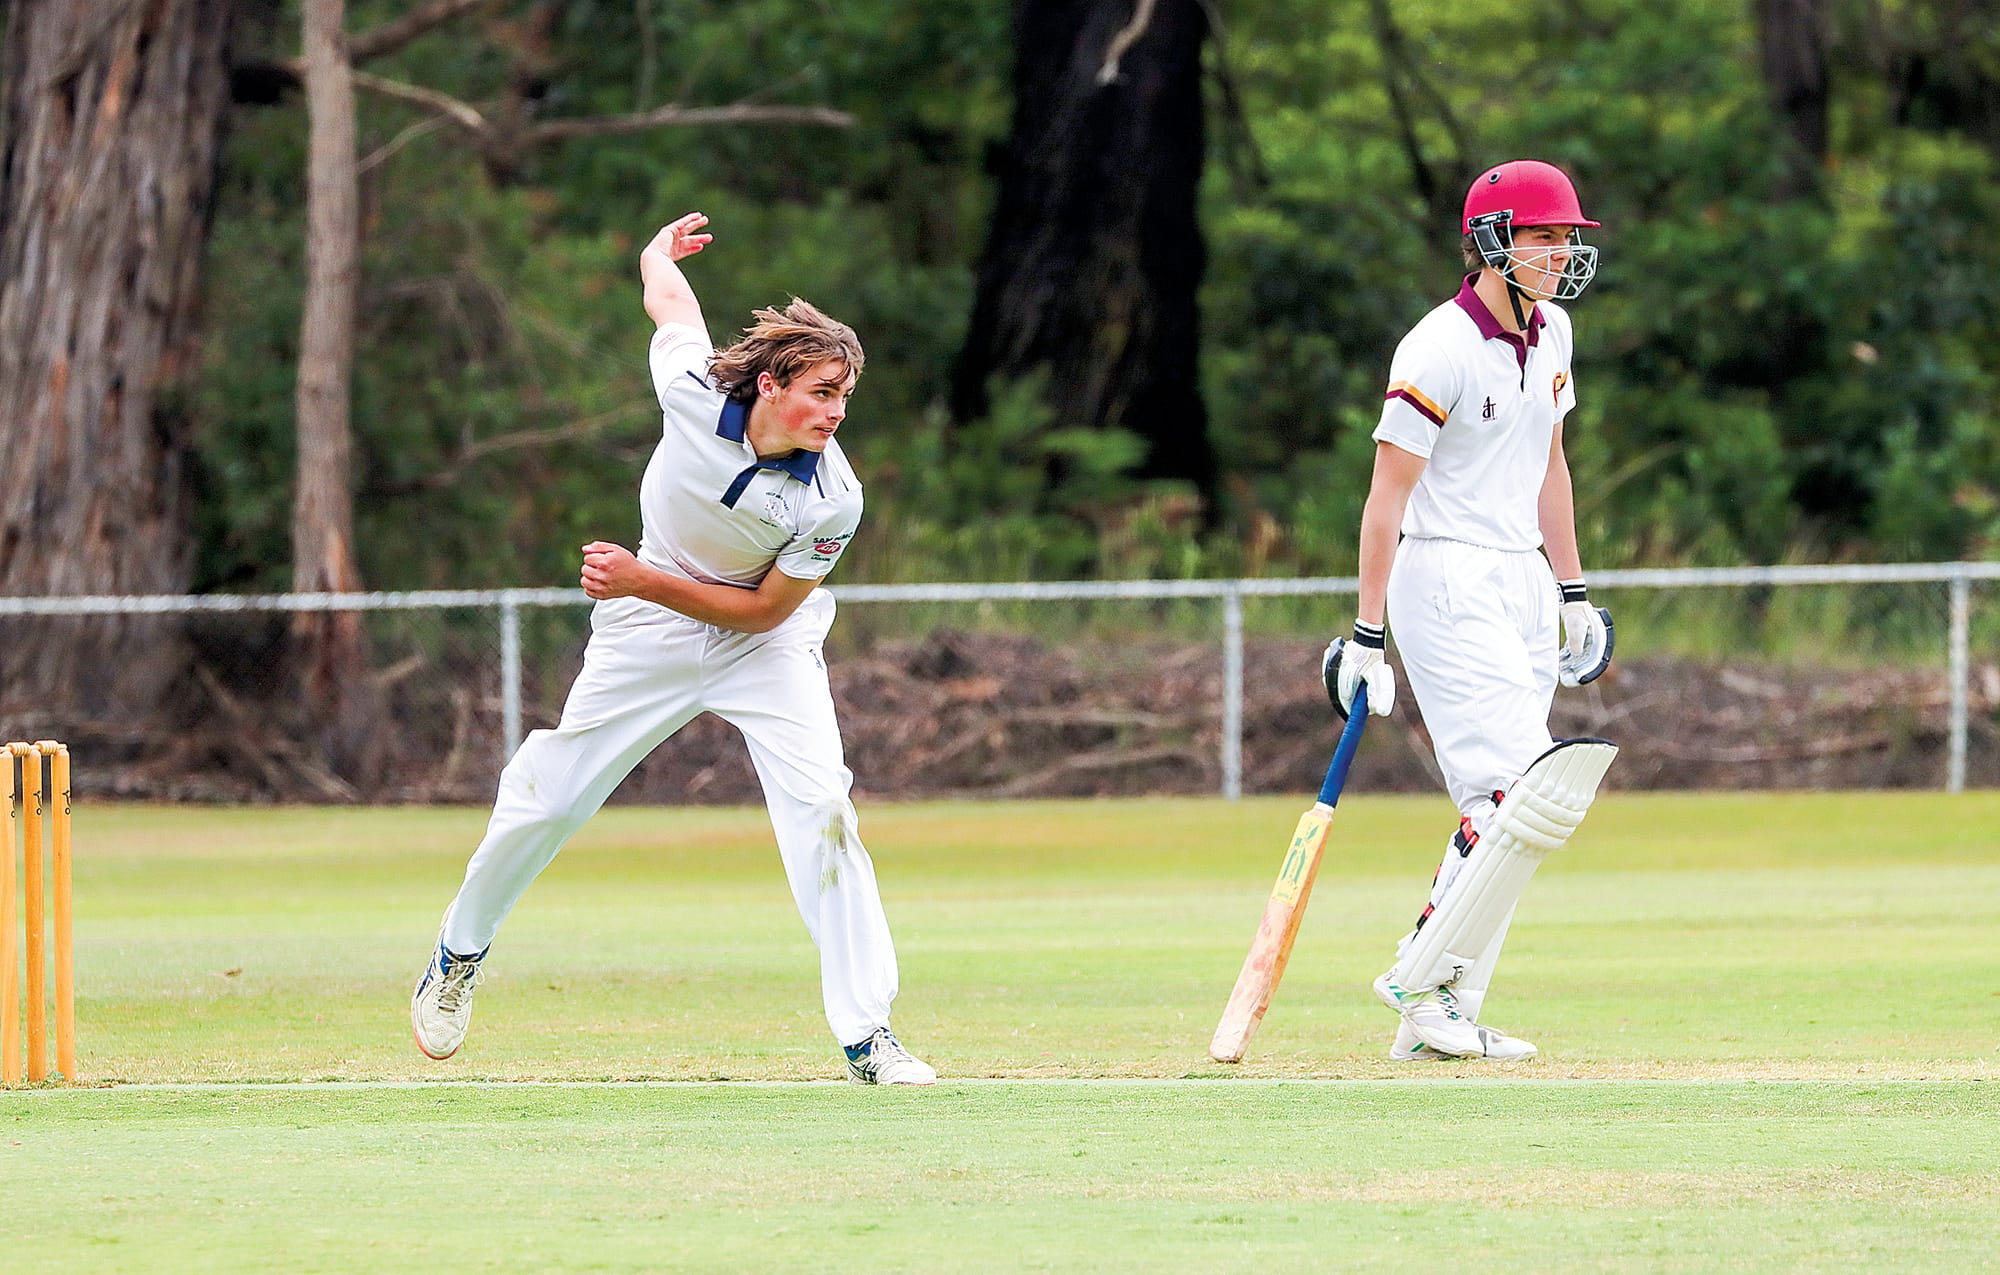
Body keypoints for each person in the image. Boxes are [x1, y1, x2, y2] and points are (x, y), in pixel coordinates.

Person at [410, 212, 935, 1085]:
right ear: (770, 384)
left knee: (826, 816)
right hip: (645, 632)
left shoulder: (833, 500)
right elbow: (672, 308)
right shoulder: (693, 387)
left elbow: (764, 613)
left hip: (760, 642)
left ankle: (867, 1035)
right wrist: (653, 253)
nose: (836, 413)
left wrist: (640, 578)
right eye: (821, 393)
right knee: (549, 796)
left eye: (845, 398)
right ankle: (457, 955)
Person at [1322, 160, 1617, 1062]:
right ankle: (1420, 975)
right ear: (1493, 239)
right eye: (1544, 236)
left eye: (1568, 238)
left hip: (1522, 577)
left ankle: (1439, 1006)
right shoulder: (1436, 346)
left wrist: (1571, 592)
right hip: (1444, 577)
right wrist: (1369, 633)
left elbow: (1551, 466)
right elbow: (1384, 500)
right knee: (1525, 788)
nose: (1561, 252)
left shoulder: (1554, 332)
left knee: (1507, 806)